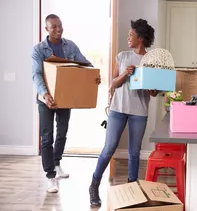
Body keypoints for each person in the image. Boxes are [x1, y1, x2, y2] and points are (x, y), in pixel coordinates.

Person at [89, 19, 158, 207]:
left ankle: (132, 190)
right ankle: (94, 184)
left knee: (134, 152)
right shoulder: (123, 56)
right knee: (109, 148)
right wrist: (125, 74)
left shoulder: (151, 61)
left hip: (139, 112)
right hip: (118, 109)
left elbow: (153, 92)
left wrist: (152, 87)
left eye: (131, 34)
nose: (128, 37)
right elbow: (113, 83)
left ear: (141, 38)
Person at [32, 14, 97, 193]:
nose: (58, 29)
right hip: (46, 99)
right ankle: (50, 176)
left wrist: (92, 75)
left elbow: (84, 63)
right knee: (47, 137)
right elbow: (36, 74)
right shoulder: (39, 49)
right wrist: (45, 95)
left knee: (62, 133)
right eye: (54, 27)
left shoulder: (70, 46)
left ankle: (57, 162)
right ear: (47, 29)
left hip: (64, 97)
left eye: (60, 26)